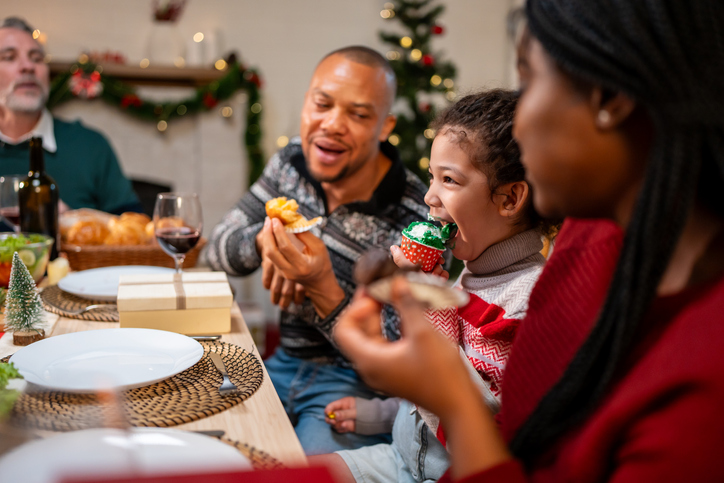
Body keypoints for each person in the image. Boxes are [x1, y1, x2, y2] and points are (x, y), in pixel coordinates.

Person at [332, 0, 724, 481]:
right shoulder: (591, 243)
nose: (516, 128)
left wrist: (449, 390)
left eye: (530, 81)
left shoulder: (701, 378)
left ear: (609, 97)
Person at [314, 89, 553, 482]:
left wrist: (428, 305)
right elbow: (425, 392)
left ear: (509, 198)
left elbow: (470, 408)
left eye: (449, 180)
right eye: (431, 177)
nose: (429, 197)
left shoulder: (525, 300)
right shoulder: (473, 269)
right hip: (399, 458)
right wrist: (382, 414)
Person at [205, 46, 429, 455]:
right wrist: (265, 243)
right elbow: (216, 251)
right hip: (279, 363)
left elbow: (395, 363)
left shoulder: (420, 216)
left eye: (358, 115)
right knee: (201, 444)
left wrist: (320, 285)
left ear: (385, 126)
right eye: (321, 104)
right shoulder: (291, 163)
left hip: (353, 390)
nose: (332, 124)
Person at [0, 17, 141, 215]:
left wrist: (72, 222)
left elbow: (136, 230)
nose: (28, 67)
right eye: (9, 57)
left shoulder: (90, 145)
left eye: (37, 58)